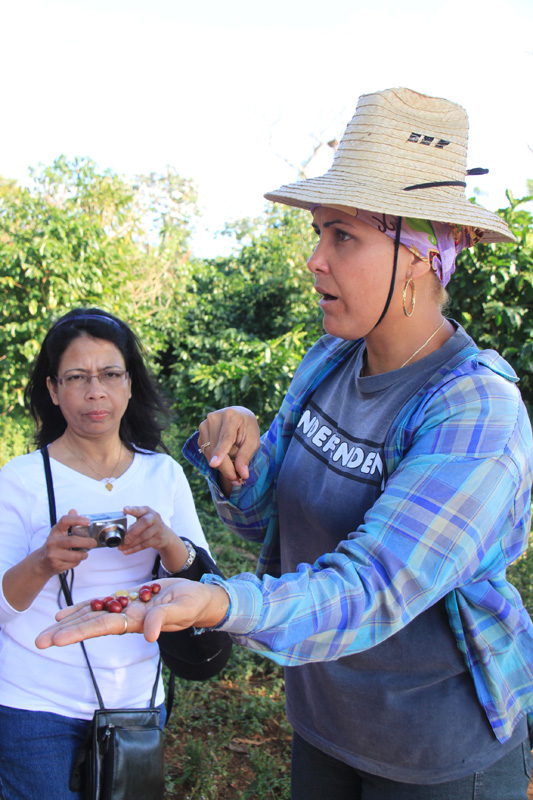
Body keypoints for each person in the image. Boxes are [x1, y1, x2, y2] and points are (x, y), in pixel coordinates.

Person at [37, 89, 533, 799]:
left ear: (420, 255)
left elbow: (370, 589)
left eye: (342, 236)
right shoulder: (330, 360)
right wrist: (236, 459)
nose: (314, 260)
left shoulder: (474, 410)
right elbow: (264, 522)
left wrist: (218, 603)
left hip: (439, 755)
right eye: (318, 233)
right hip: (326, 727)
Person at [0, 308, 231, 800]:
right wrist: (43, 561)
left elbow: (206, 590)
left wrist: (167, 541)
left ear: (129, 384)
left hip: (137, 700)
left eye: (109, 374)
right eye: (76, 377)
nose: (95, 391)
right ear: (53, 389)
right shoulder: (20, 479)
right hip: (33, 704)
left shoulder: (163, 473)